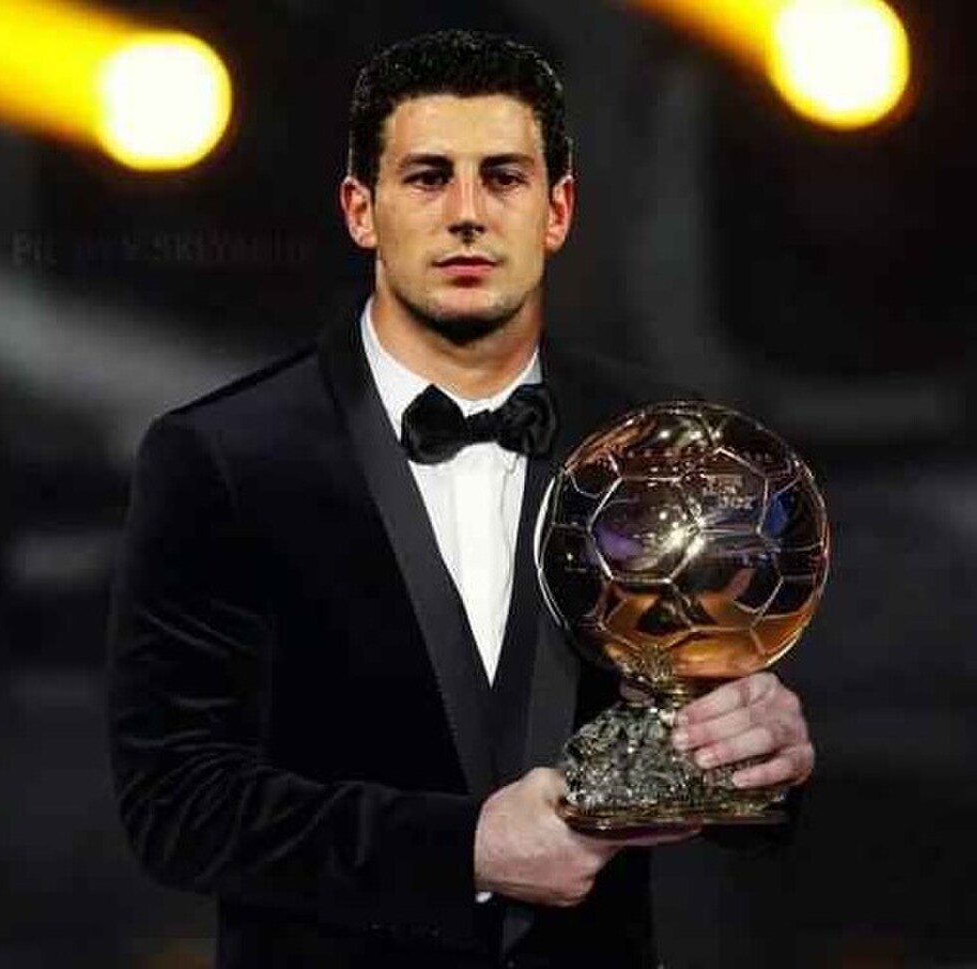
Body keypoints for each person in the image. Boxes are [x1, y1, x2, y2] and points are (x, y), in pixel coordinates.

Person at [107, 29, 814, 968]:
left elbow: (703, 745)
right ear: (361, 210)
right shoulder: (223, 457)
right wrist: (464, 848)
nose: (469, 214)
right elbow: (176, 805)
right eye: (428, 177)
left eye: (504, 178)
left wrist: (766, 759)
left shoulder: (660, 444)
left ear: (558, 210)